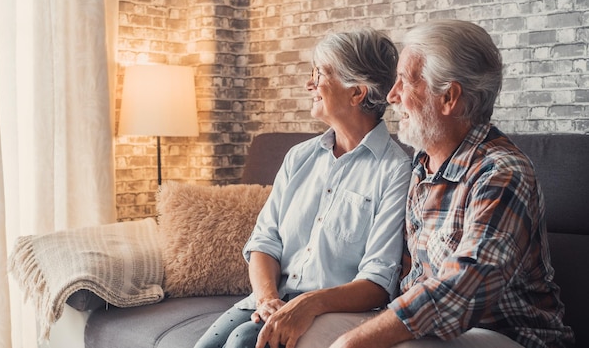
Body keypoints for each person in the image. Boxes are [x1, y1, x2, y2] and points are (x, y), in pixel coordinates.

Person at [328, 20, 575, 348]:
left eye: (404, 80)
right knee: (310, 331)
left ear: (449, 97)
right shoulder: (422, 165)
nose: (392, 96)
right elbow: (408, 276)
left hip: (511, 336)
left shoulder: (502, 173)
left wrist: (354, 341)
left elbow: (464, 286)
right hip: (439, 331)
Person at [193, 28, 412, 348]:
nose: (310, 84)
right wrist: (267, 299)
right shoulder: (299, 157)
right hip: (271, 301)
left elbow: (378, 281)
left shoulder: (395, 170)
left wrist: (307, 304)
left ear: (357, 92)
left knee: (243, 341)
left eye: (320, 74)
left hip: (335, 310)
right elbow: (264, 242)